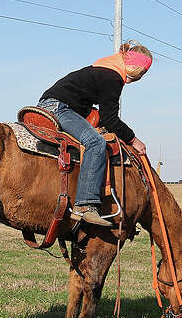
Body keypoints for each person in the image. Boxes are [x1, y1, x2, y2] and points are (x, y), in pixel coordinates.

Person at [37, 41, 153, 227]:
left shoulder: (104, 67)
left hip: (53, 104)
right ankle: (85, 205)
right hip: (60, 108)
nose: (131, 81)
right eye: (137, 76)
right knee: (96, 142)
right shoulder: (113, 77)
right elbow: (110, 119)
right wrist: (133, 139)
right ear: (135, 69)